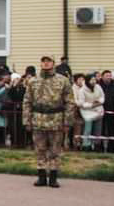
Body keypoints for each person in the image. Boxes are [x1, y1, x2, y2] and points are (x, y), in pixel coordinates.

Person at [22, 56, 76, 187]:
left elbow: (70, 102)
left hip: (56, 119)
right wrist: (26, 120)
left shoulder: (63, 80)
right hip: (38, 119)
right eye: (43, 61)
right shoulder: (33, 81)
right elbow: (27, 101)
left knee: (55, 150)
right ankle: (41, 176)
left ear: (53, 63)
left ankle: (53, 177)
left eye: (48, 61)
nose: (46, 63)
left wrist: (67, 122)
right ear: (40, 64)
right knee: (40, 149)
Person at [75, 74, 105, 151]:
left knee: (98, 129)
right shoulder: (82, 90)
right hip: (87, 112)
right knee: (88, 129)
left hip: (98, 110)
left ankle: (97, 145)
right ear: (88, 81)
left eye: (94, 80)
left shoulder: (98, 87)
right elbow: (81, 103)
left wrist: (99, 102)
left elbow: (102, 97)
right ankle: (86, 145)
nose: (93, 81)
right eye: (92, 80)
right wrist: (92, 105)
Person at [98, 70, 114, 152]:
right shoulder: (98, 86)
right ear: (102, 76)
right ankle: (100, 146)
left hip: (112, 111)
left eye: (110, 75)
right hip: (100, 110)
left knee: (112, 129)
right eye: (107, 75)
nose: (109, 77)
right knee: (100, 129)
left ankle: (112, 147)